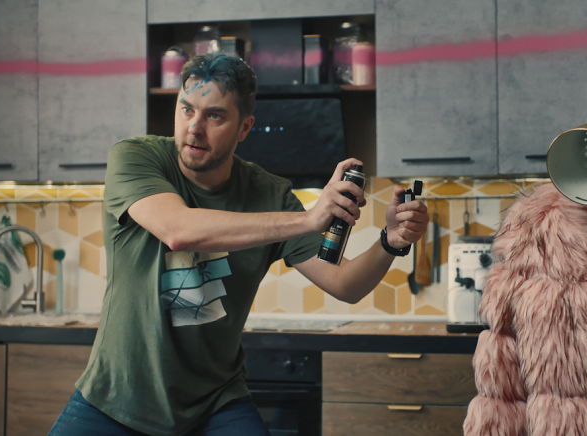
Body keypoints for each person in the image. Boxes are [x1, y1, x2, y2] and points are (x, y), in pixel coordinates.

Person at [47, 53, 428, 436]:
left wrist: (390, 242)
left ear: (244, 127)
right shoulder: (136, 157)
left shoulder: (270, 195)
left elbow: (345, 284)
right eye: (186, 109)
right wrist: (309, 219)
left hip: (215, 402)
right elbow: (177, 230)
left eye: (214, 116)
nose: (194, 128)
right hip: (116, 396)